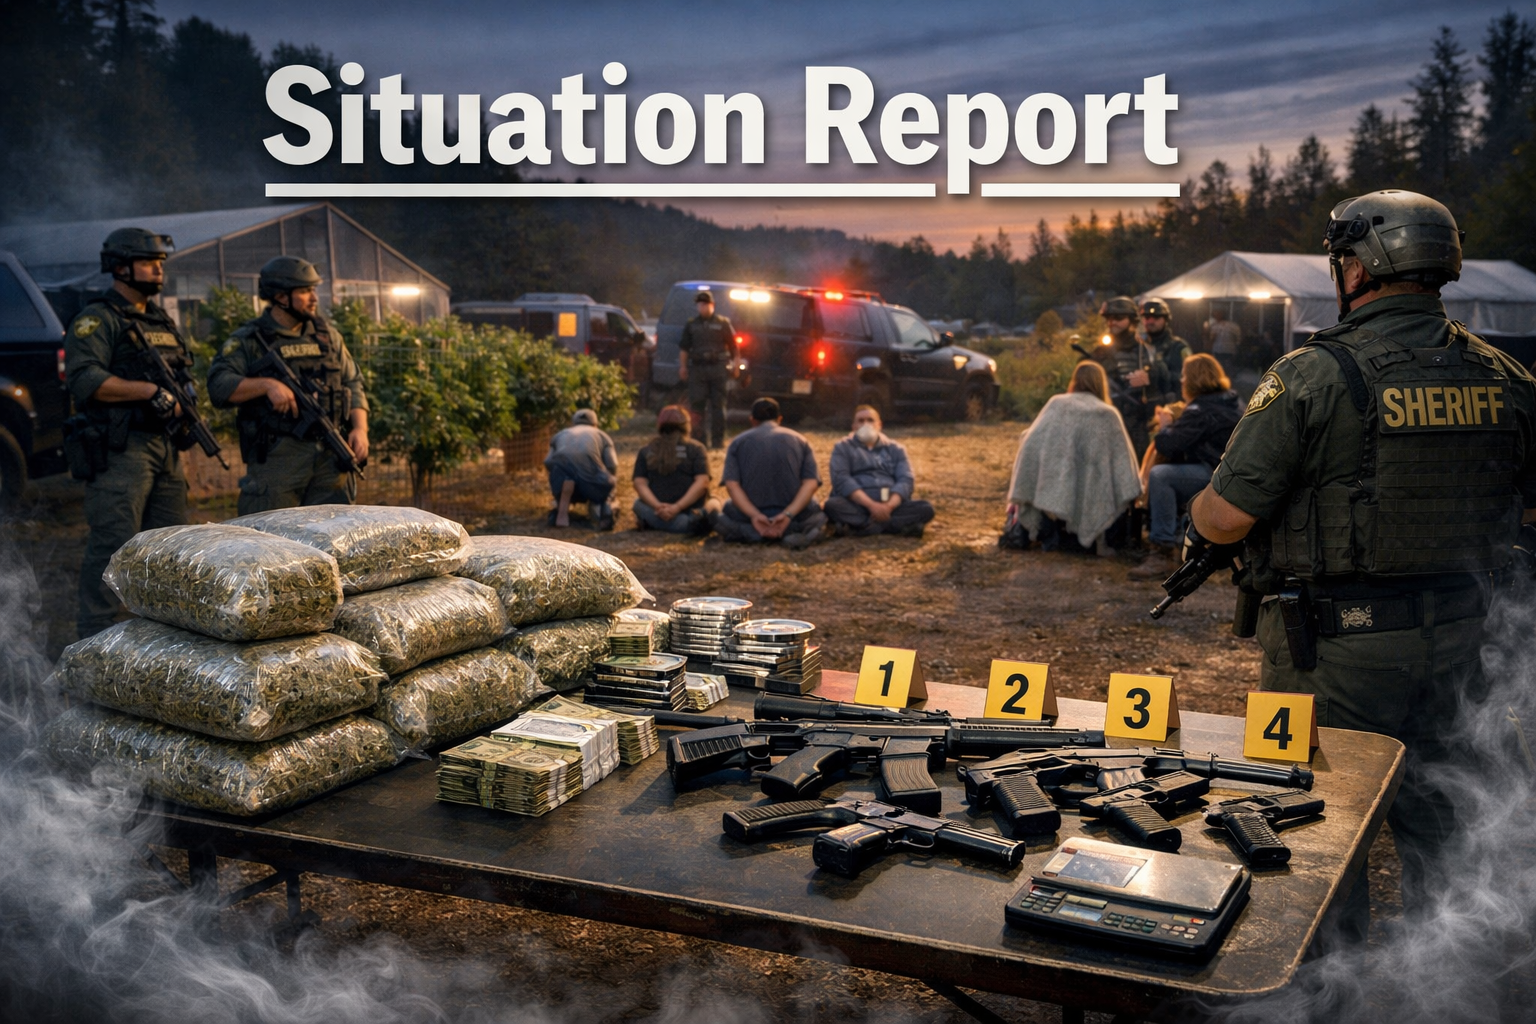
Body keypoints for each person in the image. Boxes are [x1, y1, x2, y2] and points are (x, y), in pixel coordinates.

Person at [1187, 189, 1536, 939]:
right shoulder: (1505, 376)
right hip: (1464, 645)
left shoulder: (1311, 374)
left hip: (1333, 655)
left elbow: (1225, 516)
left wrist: (1199, 512)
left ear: (1358, 267)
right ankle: (1453, 979)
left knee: (1312, 833)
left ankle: (1327, 987)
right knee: (1450, 833)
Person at [64, 228, 194, 638]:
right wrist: (149, 392)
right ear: (120, 267)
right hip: (122, 448)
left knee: (172, 546)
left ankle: (165, 635)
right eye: (149, 262)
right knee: (115, 544)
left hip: (166, 445)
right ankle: (94, 636)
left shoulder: (159, 320)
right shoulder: (98, 318)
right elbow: (84, 379)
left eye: (160, 263)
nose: (158, 270)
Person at [208, 256, 369, 515]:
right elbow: (218, 385)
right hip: (278, 460)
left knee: (333, 530)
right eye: (305, 291)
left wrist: (360, 429)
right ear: (281, 297)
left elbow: (352, 381)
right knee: (270, 533)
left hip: (330, 456)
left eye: (313, 290)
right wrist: (266, 385)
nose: (314, 298)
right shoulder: (250, 340)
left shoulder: (327, 337)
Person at [1006, 361, 1141, 556]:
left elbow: (1032, 441)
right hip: (1093, 494)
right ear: (1101, 384)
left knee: (1056, 481)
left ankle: (1052, 535)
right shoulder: (1107, 414)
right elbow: (1123, 465)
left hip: (1051, 500)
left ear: (1074, 381)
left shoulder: (1057, 403)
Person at [1128, 353, 1241, 579]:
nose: (1181, 381)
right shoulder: (1229, 402)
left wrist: (1165, 426)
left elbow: (1168, 445)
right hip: (1230, 474)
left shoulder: (1201, 409)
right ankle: (1181, 540)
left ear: (1194, 379)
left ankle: (1161, 549)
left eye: (1184, 376)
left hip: (1217, 476)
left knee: (1161, 475)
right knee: (1173, 472)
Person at [714, 397, 826, 549]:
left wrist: (755, 515)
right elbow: (811, 484)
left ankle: (753, 533)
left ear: (752, 420)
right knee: (816, 508)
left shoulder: (737, 442)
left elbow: (732, 486)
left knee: (727, 509)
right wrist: (787, 514)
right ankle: (792, 530)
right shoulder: (801, 440)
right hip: (794, 514)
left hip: (751, 515)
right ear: (779, 419)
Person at [825, 405, 934, 537]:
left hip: (891, 504)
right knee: (832, 506)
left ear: (879, 425)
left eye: (870, 420)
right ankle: (896, 527)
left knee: (925, 508)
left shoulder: (896, 449)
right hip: (857, 504)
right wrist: (871, 506)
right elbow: (842, 480)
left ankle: (863, 527)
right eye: (861, 420)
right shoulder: (842, 448)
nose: (866, 424)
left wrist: (889, 506)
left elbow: (906, 479)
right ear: (853, 426)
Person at [632, 405, 718, 534]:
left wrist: (657, 506)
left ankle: (655, 522)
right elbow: (702, 483)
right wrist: (677, 507)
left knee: (638, 504)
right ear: (686, 426)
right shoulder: (696, 449)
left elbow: (639, 484)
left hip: (657, 511)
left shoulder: (645, 451)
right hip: (690, 511)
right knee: (714, 502)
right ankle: (689, 524)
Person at [1091, 296, 1157, 457]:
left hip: (1137, 421)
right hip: (1105, 419)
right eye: (1109, 318)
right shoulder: (1100, 352)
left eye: (1118, 318)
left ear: (1131, 320)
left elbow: (1166, 386)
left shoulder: (1146, 351)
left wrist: (1150, 378)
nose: (1112, 322)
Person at [677, 289, 738, 449]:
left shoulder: (723, 323)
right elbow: (684, 348)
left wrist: (736, 365)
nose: (702, 307)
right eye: (700, 304)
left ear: (712, 305)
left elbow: (734, 347)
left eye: (705, 304)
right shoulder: (692, 324)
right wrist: (683, 367)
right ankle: (699, 440)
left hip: (718, 368)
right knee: (697, 406)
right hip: (698, 369)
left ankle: (718, 441)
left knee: (718, 406)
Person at [543, 409, 618, 530]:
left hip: (561, 481)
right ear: (595, 424)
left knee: (564, 474)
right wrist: (607, 479)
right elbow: (612, 465)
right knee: (610, 483)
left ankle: (560, 506)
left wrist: (558, 475)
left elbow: (547, 461)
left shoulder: (560, 434)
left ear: (573, 423)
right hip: (591, 484)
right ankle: (605, 511)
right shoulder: (602, 435)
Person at [1140, 298, 1191, 406]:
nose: (1150, 321)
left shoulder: (1179, 347)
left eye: (1156, 317)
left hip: (1171, 404)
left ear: (1166, 320)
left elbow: (1190, 378)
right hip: (1142, 405)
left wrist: (1159, 374)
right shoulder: (1139, 347)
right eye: (1147, 317)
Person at [1205, 306, 1243, 375]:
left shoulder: (1215, 326)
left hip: (1218, 350)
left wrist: (1208, 347)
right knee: (1229, 367)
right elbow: (1238, 340)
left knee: (1219, 367)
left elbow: (1212, 339)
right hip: (1230, 350)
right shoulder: (1234, 326)